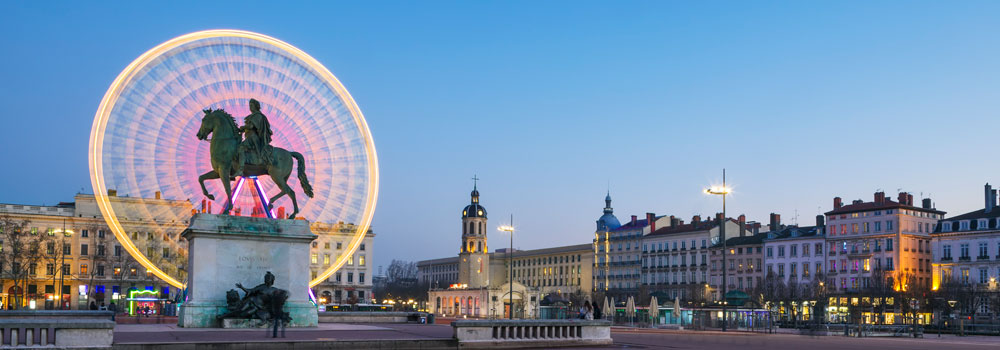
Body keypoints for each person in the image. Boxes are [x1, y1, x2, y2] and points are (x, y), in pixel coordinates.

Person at [236, 98, 274, 175]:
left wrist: (243, 127)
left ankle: (240, 169)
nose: (250, 107)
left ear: (256, 106)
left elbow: (250, 126)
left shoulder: (257, 116)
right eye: (249, 106)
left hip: (253, 137)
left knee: (240, 148)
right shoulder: (252, 116)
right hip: (249, 136)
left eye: (252, 105)